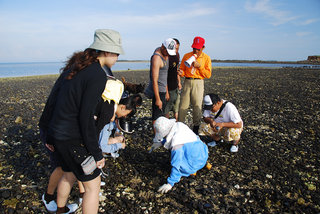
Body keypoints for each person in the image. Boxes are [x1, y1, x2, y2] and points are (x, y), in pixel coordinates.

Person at [44, 29, 124, 214]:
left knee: (69, 173)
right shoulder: (97, 75)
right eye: (117, 53)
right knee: (93, 186)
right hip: (73, 140)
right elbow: (85, 117)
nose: (117, 58)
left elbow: (57, 101)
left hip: (58, 134)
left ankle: (61, 210)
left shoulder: (77, 67)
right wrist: (96, 153)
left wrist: (50, 134)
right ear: (107, 51)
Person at [150, 116, 209, 193]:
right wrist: (161, 143)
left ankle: (192, 170)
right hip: (203, 153)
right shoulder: (179, 125)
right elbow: (173, 136)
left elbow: (176, 163)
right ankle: (203, 164)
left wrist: (170, 183)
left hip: (195, 162)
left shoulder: (176, 143)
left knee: (176, 162)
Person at [178, 36, 212, 134]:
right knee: (183, 105)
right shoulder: (186, 56)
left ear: (203, 47)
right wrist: (181, 73)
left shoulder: (206, 58)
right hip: (187, 81)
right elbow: (183, 70)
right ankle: (180, 126)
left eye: (198, 49)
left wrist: (200, 67)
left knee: (197, 106)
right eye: (194, 48)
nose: (195, 50)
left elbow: (208, 75)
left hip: (198, 82)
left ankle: (196, 129)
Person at [144, 38, 177, 129]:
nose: (168, 54)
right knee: (156, 116)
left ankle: (162, 134)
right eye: (167, 51)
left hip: (163, 90)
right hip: (158, 91)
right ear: (163, 47)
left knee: (162, 115)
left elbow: (165, 75)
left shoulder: (165, 54)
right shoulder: (157, 58)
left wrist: (166, 91)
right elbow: (154, 80)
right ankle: (156, 139)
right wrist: (158, 99)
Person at [96, 94, 142, 158]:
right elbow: (102, 147)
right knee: (116, 140)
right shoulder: (108, 119)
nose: (125, 116)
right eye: (126, 114)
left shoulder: (113, 110)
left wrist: (117, 132)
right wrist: (119, 145)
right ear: (123, 107)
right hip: (96, 143)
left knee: (119, 138)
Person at [164, 38, 181, 120]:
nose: (176, 50)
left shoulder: (177, 55)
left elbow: (176, 69)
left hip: (175, 85)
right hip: (168, 86)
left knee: (176, 106)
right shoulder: (167, 57)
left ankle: (177, 123)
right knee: (167, 107)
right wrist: (166, 91)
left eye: (178, 48)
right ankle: (167, 124)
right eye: (175, 48)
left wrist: (179, 82)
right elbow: (164, 76)